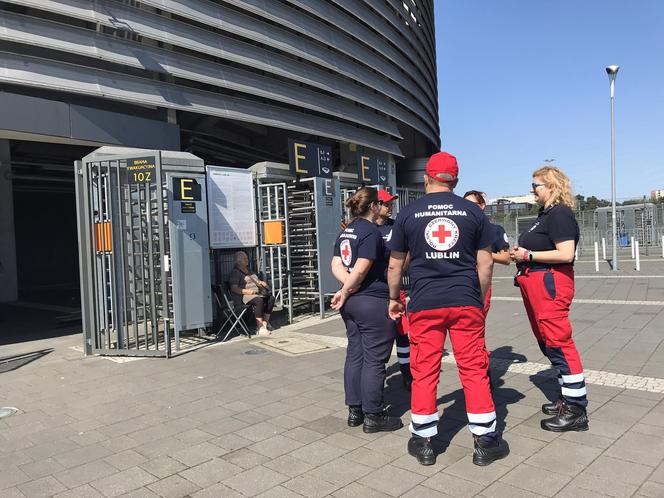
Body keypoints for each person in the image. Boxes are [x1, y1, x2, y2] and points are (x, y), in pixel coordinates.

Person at [387, 151, 509, 467]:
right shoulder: (473, 212)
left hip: (425, 302)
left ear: (425, 177)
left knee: (424, 368)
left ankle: (424, 440)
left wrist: (394, 297)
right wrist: (478, 299)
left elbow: (395, 264)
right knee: (473, 367)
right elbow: (485, 264)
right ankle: (485, 441)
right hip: (465, 300)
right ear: (455, 180)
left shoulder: (408, 213)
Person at [510, 166, 588, 432]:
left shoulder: (560, 214)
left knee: (559, 342)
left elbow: (566, 253)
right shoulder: (546, 214)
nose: (532, 190)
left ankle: (576, 409)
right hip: (537, 282)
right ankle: (567, 397)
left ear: (552, 186)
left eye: (536, 186)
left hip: (549, 282)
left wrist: (528, 256)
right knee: (548, 341)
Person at [331, 187, 403, 433]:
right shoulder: (371, 232)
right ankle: (374, 414)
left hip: (351, 304)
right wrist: (349, 288)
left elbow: (336, 263)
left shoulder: (347, 230)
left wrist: (345, 289)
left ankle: (355, 410)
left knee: (355, 353)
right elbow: (362, 268)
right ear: (373, 206)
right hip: (372, 301)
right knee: (374, 359)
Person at [375, 189, 413, 390]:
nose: (390, 207)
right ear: (375, 205)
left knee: (401, 332)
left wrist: (400, 269)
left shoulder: (395, 226)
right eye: (386, 204)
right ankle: (375, 375)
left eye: (391, 204)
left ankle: (407, 373)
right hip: (373, 290)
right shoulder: (366, 227)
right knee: (379, 335)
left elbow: (406, 252)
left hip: (394, 288)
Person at [462, 190, 511, 315]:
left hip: (481, 282)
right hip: (459, 282)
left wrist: (482, 252)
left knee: (477, 320)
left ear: (482, 206)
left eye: (472, 204)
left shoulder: (494, 230)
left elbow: (506, 258)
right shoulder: (458, 228)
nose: (469, 208)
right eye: (465, 204)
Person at [228, 251, 275, 336]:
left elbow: (255, 280)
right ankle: (260, 327)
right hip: (244, 296)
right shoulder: (235, 272)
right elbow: (234, 288)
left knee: (271, 298)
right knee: (259, 300)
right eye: (244, 259)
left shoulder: (249, 270)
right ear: (238, 261)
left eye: (246, 258)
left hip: (256, 292)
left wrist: (261, 282)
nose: (247, 260)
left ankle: (265, 323)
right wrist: (248, 292)